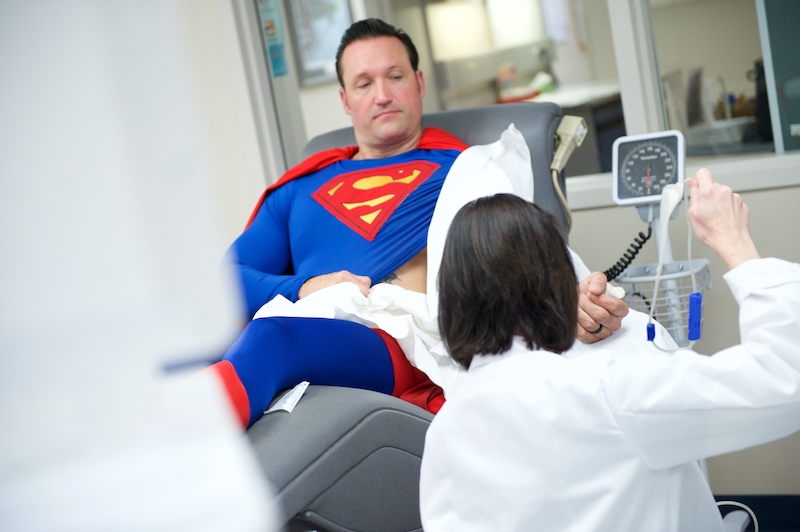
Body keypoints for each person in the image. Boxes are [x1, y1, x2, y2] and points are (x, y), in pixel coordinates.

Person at [206, 18, 627, 429]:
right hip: (310, 320)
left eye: (395, 76)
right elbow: (224, 281)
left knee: (271, 342)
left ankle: (178, 470)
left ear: (419, 83)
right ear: (345, 100)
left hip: (398, 340)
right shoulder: (298, 190)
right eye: (364, 83)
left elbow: (522, 255)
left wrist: (571, 303)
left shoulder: (466, 171)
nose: (383, 95)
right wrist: (304, 287)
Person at [419, 171, 800, 532]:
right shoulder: (609, 393)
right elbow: (784, 378)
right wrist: (733, 240)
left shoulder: (444, 433)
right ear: (559, 287)